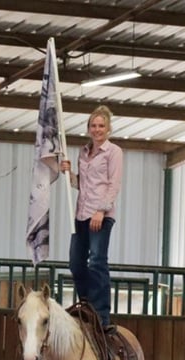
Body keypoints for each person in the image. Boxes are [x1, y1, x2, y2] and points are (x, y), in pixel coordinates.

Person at [60, 105, 123, 330]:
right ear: (88, 129)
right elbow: (83, 185)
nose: (97, 129)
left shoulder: (114, 152)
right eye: (93, 126)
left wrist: (101, 210)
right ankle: (86, 304)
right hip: (81, 213)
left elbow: (113, 185)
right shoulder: (83, 152)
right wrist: (69, 174)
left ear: (108, 129)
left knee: (97, 261)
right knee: (76, 263)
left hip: (101, 215)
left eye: (101, 126)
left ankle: (102, 315)